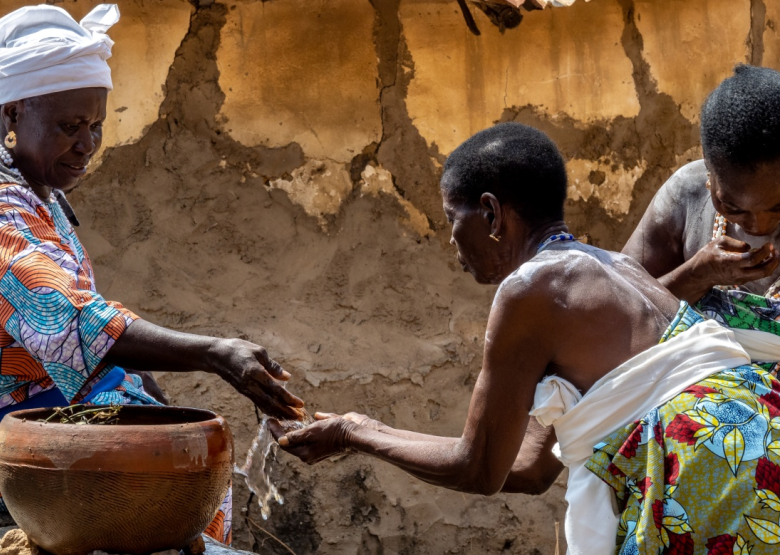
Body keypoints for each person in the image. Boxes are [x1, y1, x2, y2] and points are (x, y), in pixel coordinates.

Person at [271, 123, 780, 554]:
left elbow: (478, 469)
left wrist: (353, 433)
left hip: (711, 473)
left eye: (453, 219)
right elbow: (532, 469)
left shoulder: (529, 290)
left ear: (491, 214)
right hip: (756, 448)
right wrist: (360, 430)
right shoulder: (615, 269)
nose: (452, 241)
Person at [0, 4, 303, 546]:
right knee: (172, 476)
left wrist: (151, 397)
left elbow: (87, 341)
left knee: (173, 435)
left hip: (5, 409)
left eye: (95, 125)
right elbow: (67, 317)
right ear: (15, 110)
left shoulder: (13, 185)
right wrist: (213, 353)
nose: (87, 144)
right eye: (70, 126)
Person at [623, 65, 780, 306]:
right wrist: (697, 275)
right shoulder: (686, 192)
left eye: (778, 207)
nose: (759, 226)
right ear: (708, 167)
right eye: (733, 208)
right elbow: (620, 305)